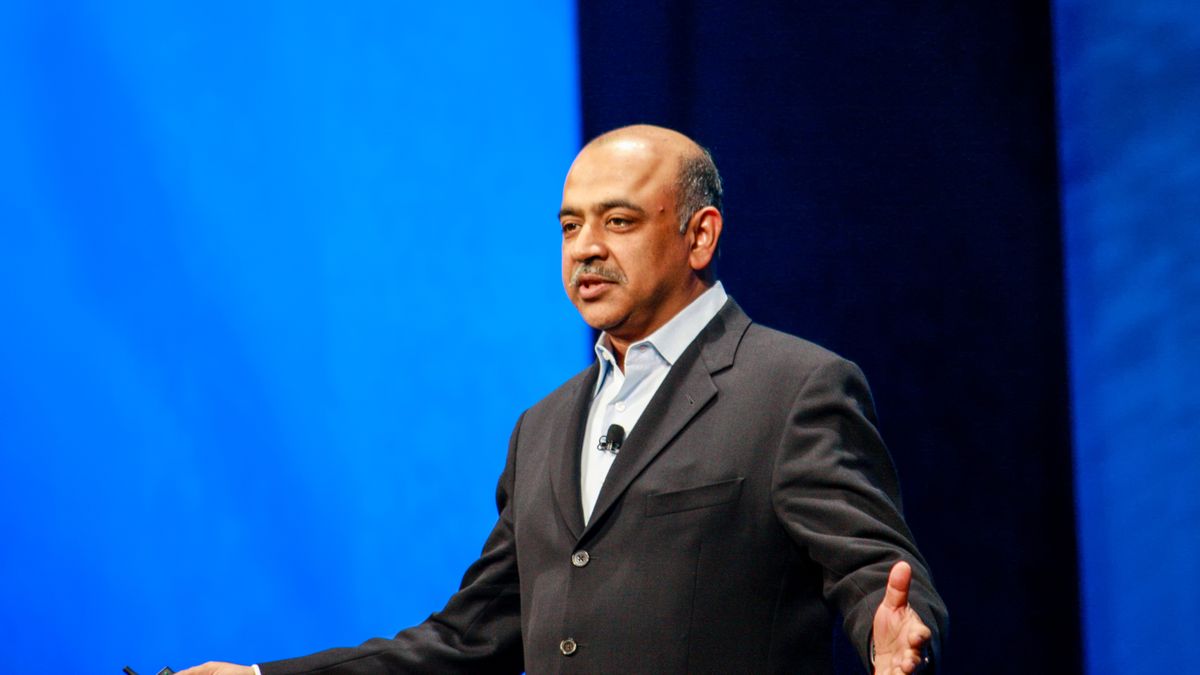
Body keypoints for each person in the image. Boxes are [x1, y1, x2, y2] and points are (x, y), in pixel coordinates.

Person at [181, 124, 947, 675]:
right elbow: (470, 638)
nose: (585, 247)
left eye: (618, 221)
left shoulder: (793, 388)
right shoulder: (542, 427)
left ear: (699, 235)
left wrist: (896, 633)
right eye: (570, 225)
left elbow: (877, 573)